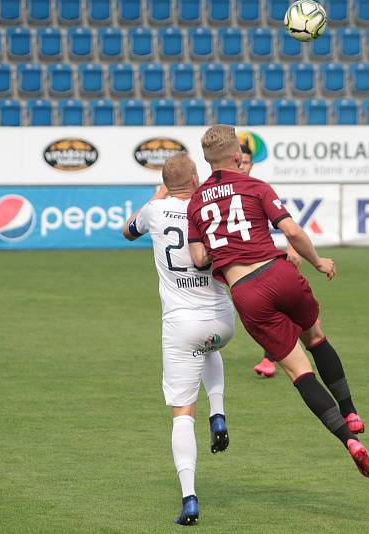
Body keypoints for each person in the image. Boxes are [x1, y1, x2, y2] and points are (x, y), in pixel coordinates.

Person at [187, 125, 369, 479]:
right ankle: (351, 410)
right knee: (316, 337)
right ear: (236, 157)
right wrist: (319, 262)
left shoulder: (196, 201)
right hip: (278, 274)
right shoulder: (255, 186)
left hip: (245, 291)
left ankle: (348, 440)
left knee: (298, 370)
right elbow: (291, 231)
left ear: (207, 161)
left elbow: (199, 257)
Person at [123, 153, 235, 526]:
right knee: (208, 347)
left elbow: (127, 231)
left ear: (164, 182)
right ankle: (217, 412)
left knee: (182, 415)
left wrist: (160, 194)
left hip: (180, 325)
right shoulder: (210, 207)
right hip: (222, 320)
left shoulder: (155, 211)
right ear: (196, 177)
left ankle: (189, 499)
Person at [239, 143, 301, 379]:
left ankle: (270, 358)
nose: (242, 167)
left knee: (273, 308)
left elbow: (286, 222)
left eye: (246, 163)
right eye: (240, 162)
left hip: (261, 263)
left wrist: (292, 249)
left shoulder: (258, 190)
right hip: (236, 265)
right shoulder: (225, 192)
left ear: (251, 165)